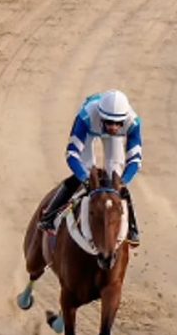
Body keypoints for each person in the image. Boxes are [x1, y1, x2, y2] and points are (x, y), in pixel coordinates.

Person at [39, 90, 143, 245]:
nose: (113, 127)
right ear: (101, 116)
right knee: (87, 170)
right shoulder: (86, 117)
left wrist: (123, 181)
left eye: (118, 123)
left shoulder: (133, 122)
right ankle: (50, 215)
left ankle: (133, 228)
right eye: (109, 122)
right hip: (89, 130)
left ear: (125, 119)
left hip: (112, 137)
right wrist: (84, 178)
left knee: (115, 174)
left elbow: (135, 159)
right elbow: (72, 154)